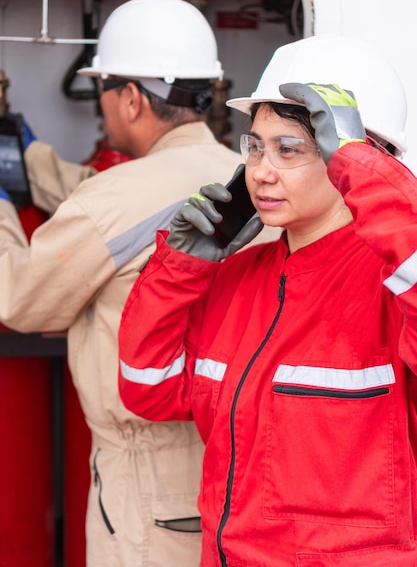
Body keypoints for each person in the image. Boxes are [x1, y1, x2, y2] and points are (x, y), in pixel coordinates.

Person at [118, 34, 417, 566]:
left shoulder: (393, 285)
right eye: (255, 145)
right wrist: (180, 269)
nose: (261, 171)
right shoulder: (237, 279)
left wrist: (362, 169)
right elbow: (150, 390)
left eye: (291, 149)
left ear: (358, 155)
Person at [0, 0, 276, 567]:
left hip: (147, 485)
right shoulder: (256, 181)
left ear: (129, 97)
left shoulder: (117, 196)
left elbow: (20, 300)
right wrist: (34, 162)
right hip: (240, 466)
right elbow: (122, 207)